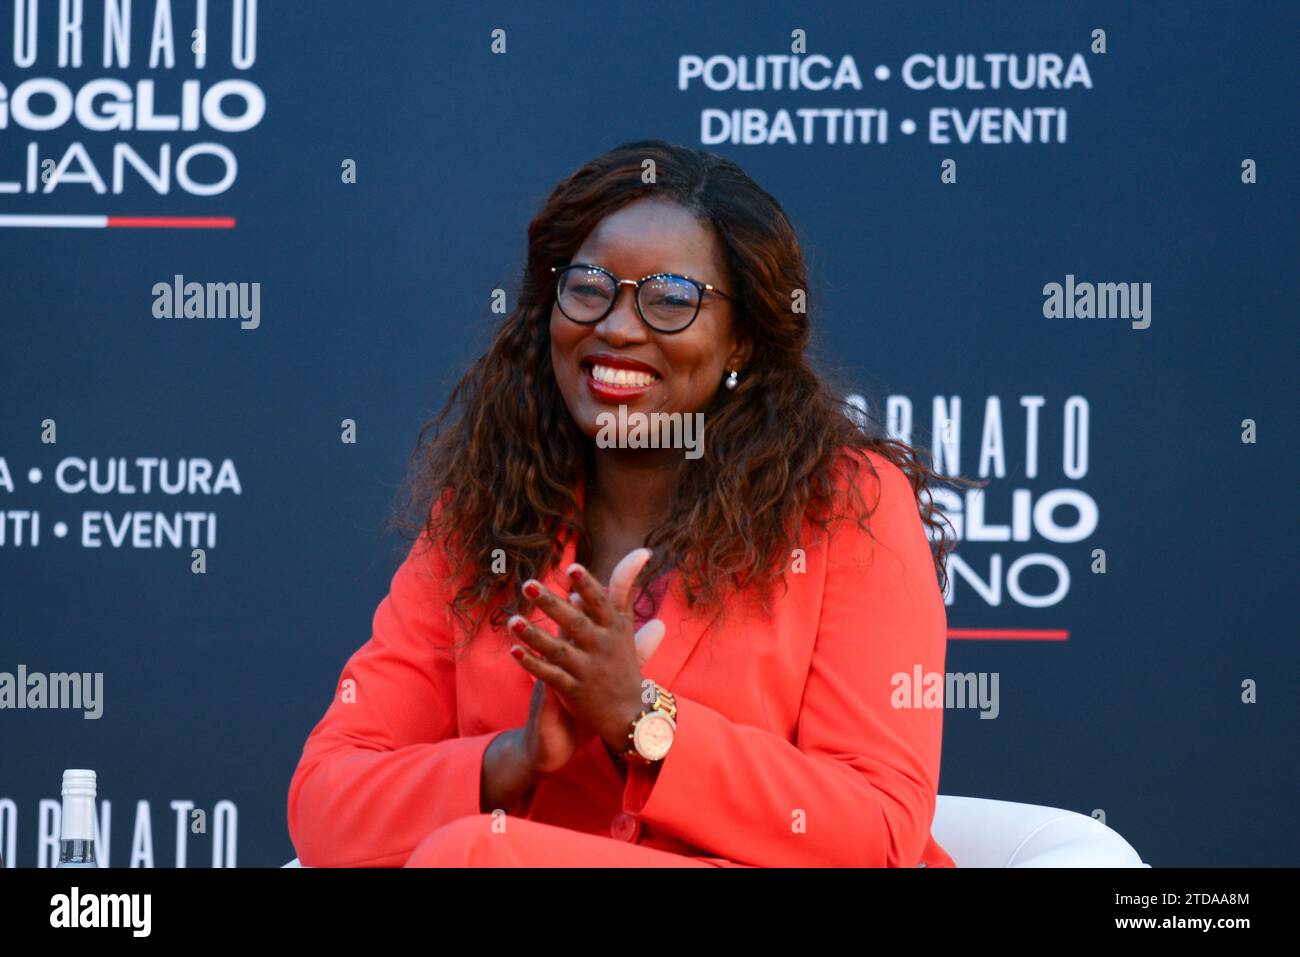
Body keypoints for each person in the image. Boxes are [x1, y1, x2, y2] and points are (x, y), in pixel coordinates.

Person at [287, 139, 963, 867]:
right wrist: (514, 757)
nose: (615, 325)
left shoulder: (844, 507)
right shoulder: (484, 513)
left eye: (671, 299)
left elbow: (881, 828)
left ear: (740, 340)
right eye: (588, 287)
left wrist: (640, 714)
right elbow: (326, 803)